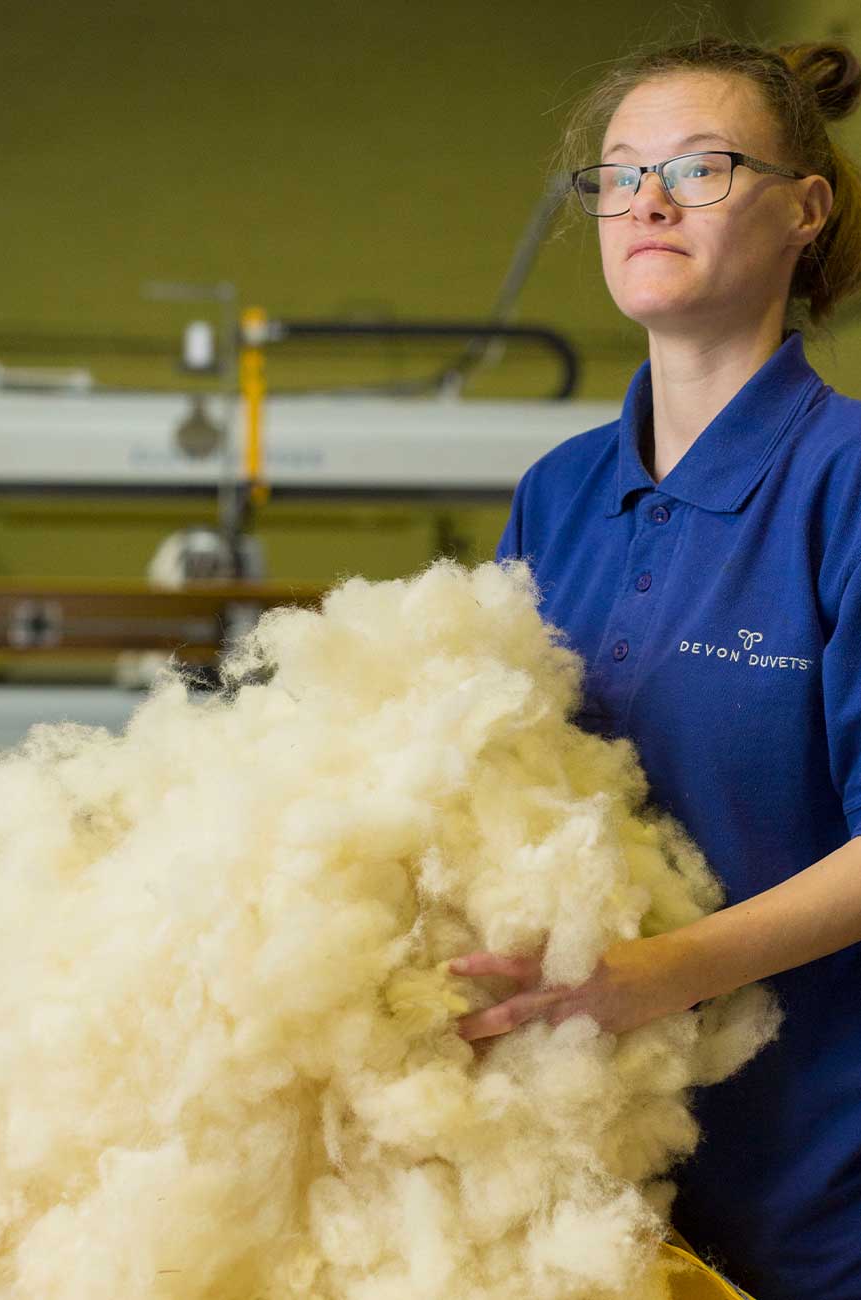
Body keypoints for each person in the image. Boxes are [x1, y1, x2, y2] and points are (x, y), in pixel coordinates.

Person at [450, 36, 861, 1300]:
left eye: (699, 166)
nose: (645, 199)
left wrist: (652, 979)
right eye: (618, 173)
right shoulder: (559, 490)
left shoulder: (843, 483)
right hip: (583, 1183)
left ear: (805, 209)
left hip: (810, 1188)